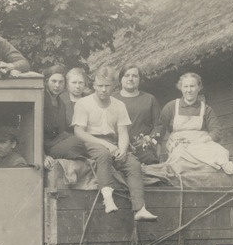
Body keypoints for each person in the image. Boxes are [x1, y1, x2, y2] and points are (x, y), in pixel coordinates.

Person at [72, 67, 159, 221]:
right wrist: (106, 145)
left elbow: (123, 132)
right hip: (90, 141)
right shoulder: (83, 103)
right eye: (100, 85)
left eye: (107, 86)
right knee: (104, 155)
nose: (103, 90)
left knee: (132, 164)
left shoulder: (119, 105)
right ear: (94, 85)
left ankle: (140, 208)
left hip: (113, 141)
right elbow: (79, 132)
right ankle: (108, 198)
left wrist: (123, 149)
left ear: (113, 86)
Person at [158, 72, 233, 174]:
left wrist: (202, 140)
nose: (189, 90)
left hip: (200, 143)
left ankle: (223, 163)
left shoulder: (206, 109)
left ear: (199, 88)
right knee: (180, 154)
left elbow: (216, 131)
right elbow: (160, 128)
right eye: (185, 86)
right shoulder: (171, 106)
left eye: (192, 86)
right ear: (180, 88)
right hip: (179, 144)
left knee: (220, 152)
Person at [112, 65, 162, 165]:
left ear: (140, 79)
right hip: (117, 146)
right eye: (127, 75)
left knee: (152, 169)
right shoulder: (112, 99)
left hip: (143, 147)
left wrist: (149, 139)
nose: (130, 79)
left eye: (134, 76)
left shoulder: (149, 99)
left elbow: (159, 126)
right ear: (121, 79)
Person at [42, 65, 86, 168]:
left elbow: (61, 132)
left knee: (79, 142)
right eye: (54, 81)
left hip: (55, 143)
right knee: (78, 144)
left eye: (61, 82)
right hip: (43, 147)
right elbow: (33, 132)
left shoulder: (61, 103)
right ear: (47, 81)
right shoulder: (41, 99)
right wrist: (43, 156)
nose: (57, 85)